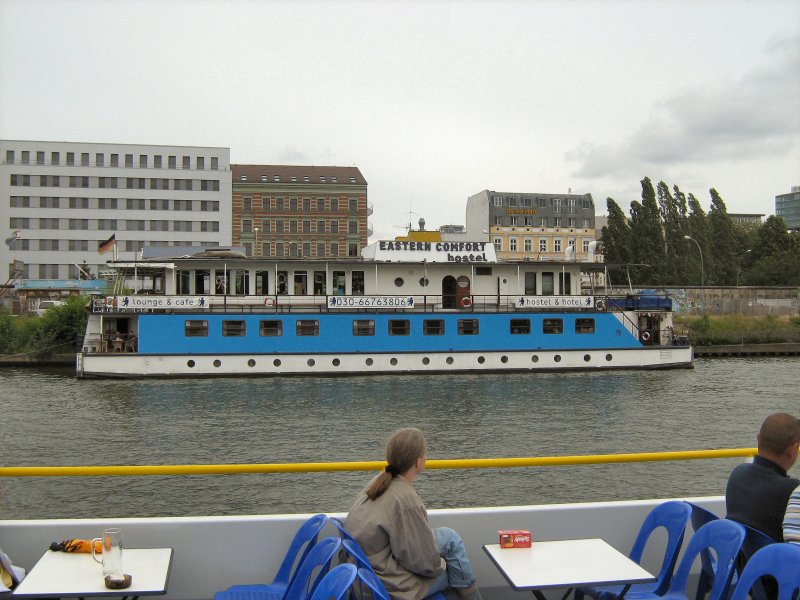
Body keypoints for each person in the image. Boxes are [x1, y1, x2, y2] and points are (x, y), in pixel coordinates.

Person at [344, 428, 482, 600]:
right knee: (455, 575)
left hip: (364, 578)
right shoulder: (406, 500)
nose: (426, 457)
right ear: (418, 462)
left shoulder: (376, 484)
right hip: (386, 587)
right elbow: (423, 563)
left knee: (449, 540)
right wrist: (442, 564)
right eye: (425, 454)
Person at [725, 412, 800, 541]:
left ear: (758, 440)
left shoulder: (737, 475)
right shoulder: (792, 492)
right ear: (792, 450)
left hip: (740, 559)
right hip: (775, 560)